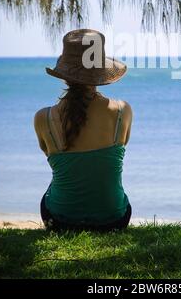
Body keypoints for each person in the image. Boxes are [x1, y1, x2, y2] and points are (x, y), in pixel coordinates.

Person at [34, 29, 133, 232]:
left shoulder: (43, 118)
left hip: (61, 221)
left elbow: (51, 156)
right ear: (101, 71)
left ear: (64, 74)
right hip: (114, 219)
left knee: (54, 187)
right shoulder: (123, 111)